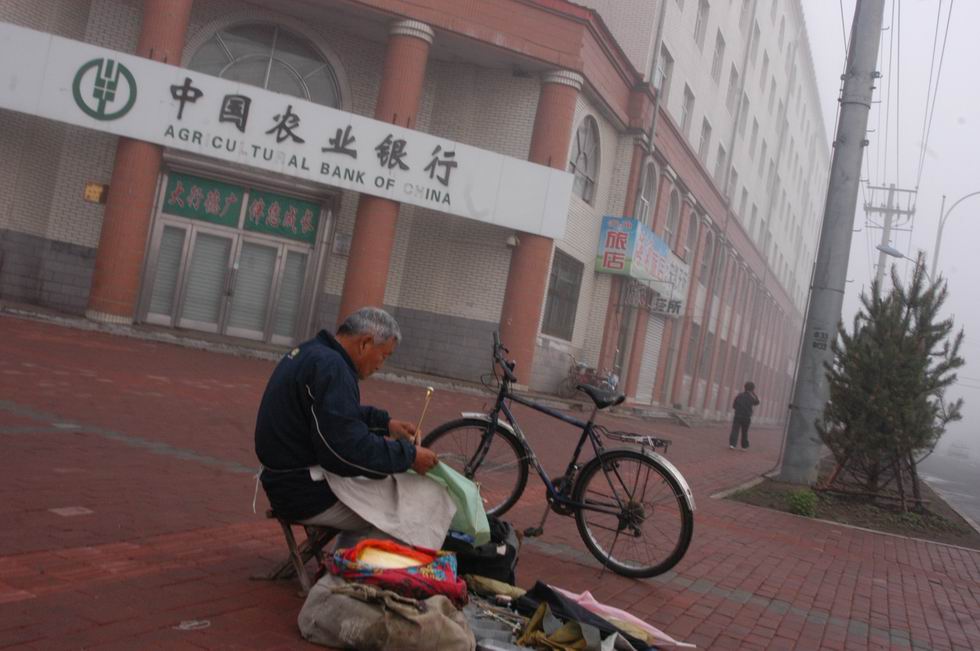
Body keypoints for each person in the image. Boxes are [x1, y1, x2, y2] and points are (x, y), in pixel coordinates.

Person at [254, 307, 439, 541]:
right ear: (365, 343)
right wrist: (409, 456)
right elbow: (345, 451)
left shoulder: (312, 351)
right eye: (384, 355)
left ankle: (348, 562)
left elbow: (333, 416)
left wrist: (386, 424)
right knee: (409, 507)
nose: (381, 365)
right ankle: (349, 573)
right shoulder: (332, 367)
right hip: (302, 492)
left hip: (286, 480)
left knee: (387, 484)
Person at [729, 381, 760, 450]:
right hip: (747, 417)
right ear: (752, 389)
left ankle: (732, 444)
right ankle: (744, 446)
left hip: (738, 415)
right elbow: (757, 402)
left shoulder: (739, 395)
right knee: (744, 432)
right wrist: (753, 393)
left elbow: (734, 405)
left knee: (735, 430)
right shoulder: (752, 397)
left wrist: (738, 409)